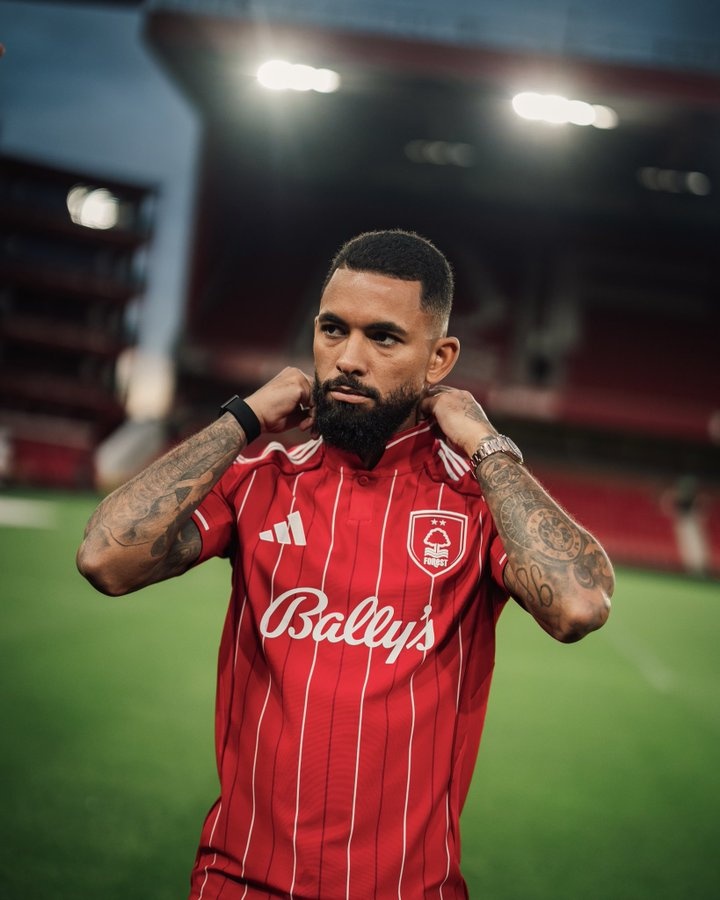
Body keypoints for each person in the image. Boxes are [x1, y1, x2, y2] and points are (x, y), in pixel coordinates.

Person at [77, 229, 613, 899]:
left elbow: (578, 604)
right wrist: (242, 418)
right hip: (240, 884)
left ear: (439, 358)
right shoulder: (260, 479)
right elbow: (106, 557)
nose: (348, 359)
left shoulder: (477, 503)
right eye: (333, 330)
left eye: (383, 338)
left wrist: (483, 441)